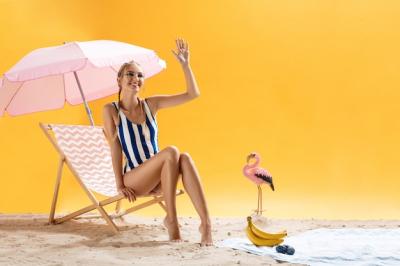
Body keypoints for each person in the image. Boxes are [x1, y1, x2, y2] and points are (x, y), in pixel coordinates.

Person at [103, 38, 212, 246]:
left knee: (185, 158)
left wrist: (185, 65)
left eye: (140, 75)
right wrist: (119, 184)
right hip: (134, 179)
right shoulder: (111, 110)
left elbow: (192, 94)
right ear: (119, 80)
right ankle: (172, 220)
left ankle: (206, 224)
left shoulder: (152, 104)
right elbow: (115, 147)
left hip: (163, 177)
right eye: (130, 74)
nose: (136, 78)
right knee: (172, 151)